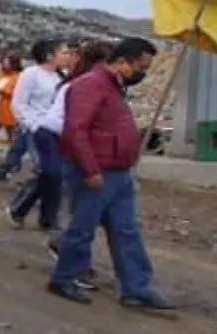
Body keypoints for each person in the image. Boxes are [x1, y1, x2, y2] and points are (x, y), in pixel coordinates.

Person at [47, 38, 174, 310]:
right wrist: (90, 170)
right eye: (140, 66)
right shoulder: (90, 85)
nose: (142, 73)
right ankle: (64, 278)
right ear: (121, 62)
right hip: (96, 171)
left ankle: (136, 287)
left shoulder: (112, 87)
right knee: (82, 228)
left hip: (117, 171)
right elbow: (75, 130)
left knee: (126, 230)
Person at [5, 39, 75, 226]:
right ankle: (27, 210)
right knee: (48, 171)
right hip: (36, 129)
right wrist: (30, 124)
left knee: (54, 174)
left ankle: (43, 215)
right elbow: (18, 103)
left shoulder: (63, 76)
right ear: (49, 55)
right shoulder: (31, 74)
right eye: (63, 52)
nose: (67, 56)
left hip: (56, 131)